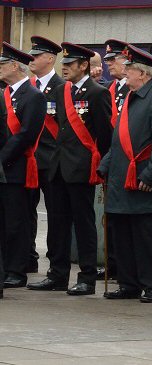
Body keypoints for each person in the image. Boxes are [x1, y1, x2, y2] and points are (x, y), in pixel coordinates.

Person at [34, 42, 112, 295]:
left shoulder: (97, 93)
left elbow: (105, 135)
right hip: (58, 167)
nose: (64, 68)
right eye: (63, 64)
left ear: (83, 65)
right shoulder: (61, 91)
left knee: (83, 223)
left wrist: (101, 166)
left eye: (69, 65)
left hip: (81, 168)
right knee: (57, 223)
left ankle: (87, 277)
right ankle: (57, 274)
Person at [100, 44, 152, 303]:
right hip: (122, 179)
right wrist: (105, 164)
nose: (125, 72)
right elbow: (119, 139)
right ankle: (128, 283)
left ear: (142, 73)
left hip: (143, 181)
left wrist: (150, 175)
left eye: (129, 68)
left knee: (146, 237)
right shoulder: (131, 96)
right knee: (123, 236)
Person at [0, 42, 46, 289]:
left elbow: (26, 134)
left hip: (16, 168)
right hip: (3, 168)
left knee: (16, 222)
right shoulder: (5, 93)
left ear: (15, 66)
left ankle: (16, 270)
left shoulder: (34, 96)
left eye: (2, 64)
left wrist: (1, 159)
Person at [25, 35, 64, 275]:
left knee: (56, 215)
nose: (32, 59)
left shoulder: (61, 88)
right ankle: (27, 258)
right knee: (25, 212)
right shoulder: (27, 88)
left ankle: (55, 266)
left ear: (49, 58)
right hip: (28, 160)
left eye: (37, 55)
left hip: (51, 161)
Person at [98, 38, 130, 281]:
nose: (109, 64)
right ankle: (112, 265)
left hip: (129, 161)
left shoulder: (134, 88)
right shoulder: (109, 89)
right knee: (110, 217)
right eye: (107, 60)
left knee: (126, 219)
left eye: (113, 59)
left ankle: (125, 267)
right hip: (111, 158)